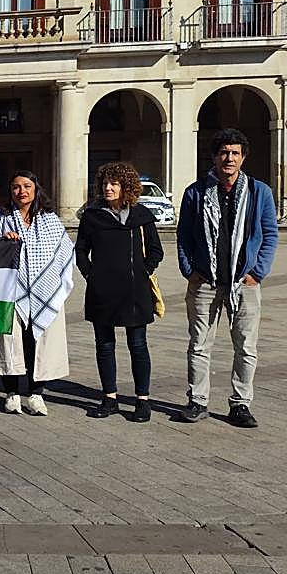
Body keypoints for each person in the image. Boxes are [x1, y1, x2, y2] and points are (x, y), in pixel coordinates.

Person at [175, 128, 277, 428]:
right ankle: (197, 400)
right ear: (214, 157)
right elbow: (183, 236)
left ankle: (241, 404)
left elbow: (270, 234)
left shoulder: (259, 192)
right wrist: (189, 270)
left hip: (243, 283)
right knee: (199, 344)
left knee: (245, 346)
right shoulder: (196, 192)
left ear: (243, 158)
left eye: (234, 153)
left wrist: (257, 272)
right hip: (204, 281)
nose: (228, 158)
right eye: (223, 152)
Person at [75, 162, 163, 423]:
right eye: (105, 183)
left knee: (138, 345)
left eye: (114, 183)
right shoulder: (92, 216)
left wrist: (142, 271)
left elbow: (156, 251)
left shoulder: (142, 216)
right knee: (104, 345)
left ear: (127, 187)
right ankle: (109, 397)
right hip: (101, 292)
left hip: (135, 293)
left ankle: (142, 401)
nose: (108, 188)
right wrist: (91, 273)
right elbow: (80, 250)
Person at [0, 171, 73, 417]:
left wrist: (55, 285)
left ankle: (36, 394)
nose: (21, 191)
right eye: (16, 187)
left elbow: (64, 254)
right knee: (9, 343)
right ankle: (11, 394)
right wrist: (2, 241)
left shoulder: (51, 219)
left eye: (26, 186)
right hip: (9, 291)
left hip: (45, 291)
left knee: (38, 342)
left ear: (36, 189)